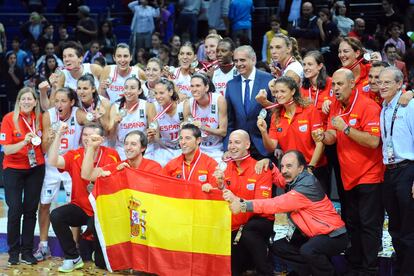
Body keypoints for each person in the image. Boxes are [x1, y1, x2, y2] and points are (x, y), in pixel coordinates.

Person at [228, 150, 348, 276]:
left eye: (289, 166)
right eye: (283, 166)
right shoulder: (296, 179)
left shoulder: (306, 186)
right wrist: (270, 164)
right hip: (312, 234)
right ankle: (309, 271)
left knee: (309, 250)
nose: (284, 170)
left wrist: (244, 205)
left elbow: (276, 204)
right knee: (279, 246)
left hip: (333, 236)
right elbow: (281, 179)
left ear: (301, 168)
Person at [314, 68, 383, 275]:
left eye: (340, 84)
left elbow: (373, 142)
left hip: (370, 174)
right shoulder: (335, 105)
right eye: (333, 84)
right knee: (351, 222)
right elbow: (333, 135)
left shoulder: (368, 106)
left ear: (352, 84)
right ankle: (353, 266)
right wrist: (323, 136)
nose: (335, 88)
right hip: (348, 175)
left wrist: (345, 128)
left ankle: (369, 269)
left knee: (369, 225)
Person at [48, 123, 120, 273]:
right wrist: (59, 136)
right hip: (81, 207)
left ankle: (98, 252)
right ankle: (72, 257)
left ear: (101, 139)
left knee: (101, 262)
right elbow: (53, 161)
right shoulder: (75, 154)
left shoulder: (112, 155)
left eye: (92, 135)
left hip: (101, 210)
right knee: (56, 215)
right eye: (85, 135)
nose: (87, 139)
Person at [33, 87, 87, 261]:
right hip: (52, 165)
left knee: (75, 205)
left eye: (63, 101)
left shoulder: (78, 113)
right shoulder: (48, 115)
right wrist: (51, 136)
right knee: (45, 204)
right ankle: (43, 245)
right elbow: (43, 148)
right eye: (56, 100)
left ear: (71, 102)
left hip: (71, 165)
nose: (59, 104)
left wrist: (95, 114)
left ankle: (74, 247)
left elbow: (90, 120)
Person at [213, 130, 274, 275]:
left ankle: (266, 271)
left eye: (237, 142)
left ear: (247, 145)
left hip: (258, 221)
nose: (232, 146)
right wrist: (220, 186)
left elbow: (261, 205)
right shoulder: (224, 168)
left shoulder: (260, 167)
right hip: (234, 224)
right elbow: (220, 200)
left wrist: (237, 201)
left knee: (249, 232)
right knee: (233, 269)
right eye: (230, 142)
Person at [257, 76, 329, 192]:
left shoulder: (309, 110)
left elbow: (320, 143)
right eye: (275, 92)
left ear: (293, 91)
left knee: (317, 209)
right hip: (291, 172)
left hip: (314, 169)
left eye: (282, 91)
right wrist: (264, 132)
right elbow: (271, 147)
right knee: (293, 209)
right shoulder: (276, 116)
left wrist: (310, 168)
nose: (278, 95)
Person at [0, 87, 45, 265]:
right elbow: (7, 150)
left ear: (35, 102)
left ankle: (27, 252)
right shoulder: (9, 119)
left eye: (30, 99)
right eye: (23, 99)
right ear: (19, 101)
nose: (26, 102)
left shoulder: (39, 119)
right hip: (13, 168)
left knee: (30, 210)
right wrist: (23, 142)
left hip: (36, 168)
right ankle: (13, 252)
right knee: (15, 209)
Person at [379, 66, 414, 276]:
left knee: (409, 229)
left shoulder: (409, 105)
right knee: (394, 228)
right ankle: (400, 268)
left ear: (400, 84)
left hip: (408, 169)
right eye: (380, 82)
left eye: (387, 82)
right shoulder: (384, 106)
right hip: (390, 172)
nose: (382, 86)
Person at [225, 45, 273, 160]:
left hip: (264, 146)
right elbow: (230, 121)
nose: (238, 64)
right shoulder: (231, 85)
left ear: (253, 59)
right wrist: (228, 146)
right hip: (239, 148)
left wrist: (277, 146)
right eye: (236, 60)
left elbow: (276, 115)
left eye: (242, 60)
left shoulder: (269, 80)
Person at [40, 41, 102, 110]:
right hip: (75, 116)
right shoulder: (62, 75)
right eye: (64, 57)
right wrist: (53, 88)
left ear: (80, 58)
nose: (66, 59)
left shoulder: (94, 69)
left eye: (70, 56)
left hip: (99, 111)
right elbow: (52, 108)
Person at [82, 130, 161, 183]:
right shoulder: (118, 167)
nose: (128, 147)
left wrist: (120, 175)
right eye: (126, 144)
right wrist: (91, 147)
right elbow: (87, 175)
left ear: (143, 148)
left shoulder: (154, 167)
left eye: (133, 144)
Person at [108, 76, 156, 160]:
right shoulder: (115, 107)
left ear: (139, 91)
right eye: (126, 88)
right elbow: (111, 137)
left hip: (143, 149)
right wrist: (115, 123)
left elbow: (154, 132)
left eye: (132, 88)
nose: (128, 91)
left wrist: (151, 135)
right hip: (123, 149)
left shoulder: (147, 105)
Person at [184, 73, 227, 162]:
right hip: (197, 148)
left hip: (217, 148)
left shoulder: (219, 100)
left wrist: (202, 127)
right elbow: (187, 132)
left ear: (206, 87)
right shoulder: (188, 104)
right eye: (192, 86)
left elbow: (223, 132)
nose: (194, 89)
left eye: (198, 86)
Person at [143, 78, 184, 167]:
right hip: (163, 149)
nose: (158, 97)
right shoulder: (153, 107)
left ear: (170, 92)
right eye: (156, 93)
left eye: (161, 93)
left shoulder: (183, 106)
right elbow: (156, 138)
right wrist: (151, 135)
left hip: (182, 148)